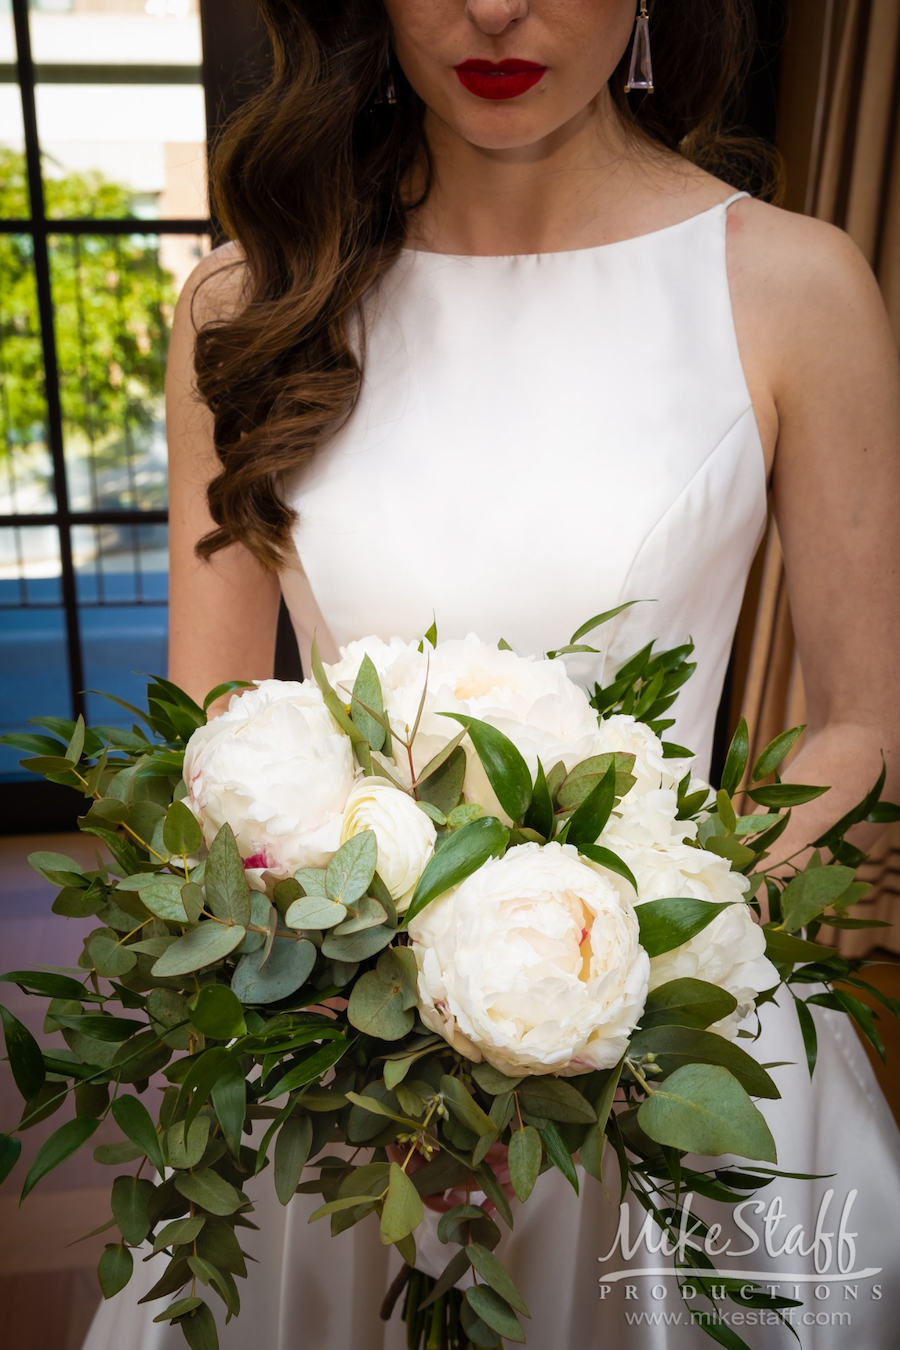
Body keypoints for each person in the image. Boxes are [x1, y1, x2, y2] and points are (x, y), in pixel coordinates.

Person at [83, 2, 900, 1347]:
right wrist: (360, 984)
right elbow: (214, 722)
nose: (496, 9)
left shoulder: (795, 284)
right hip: (345, 1056)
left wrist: (629, 931)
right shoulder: (249, 302)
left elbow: (861, 720)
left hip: (666, 1036)